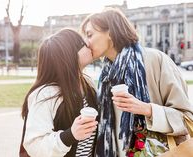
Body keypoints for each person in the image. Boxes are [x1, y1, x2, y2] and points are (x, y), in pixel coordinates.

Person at [80, 8, 193, 157]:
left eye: (90, 35)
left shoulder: (154, 60)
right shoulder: (105, 76)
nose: (86, 43)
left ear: (110, 32)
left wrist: (147, 110)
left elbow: (187, 119)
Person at [20, 28, 99, 157]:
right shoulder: (47, 94)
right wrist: (70, 135)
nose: (88, 44)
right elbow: (34, 144)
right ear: (71, 54)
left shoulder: (88, 84)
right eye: (83, 44)